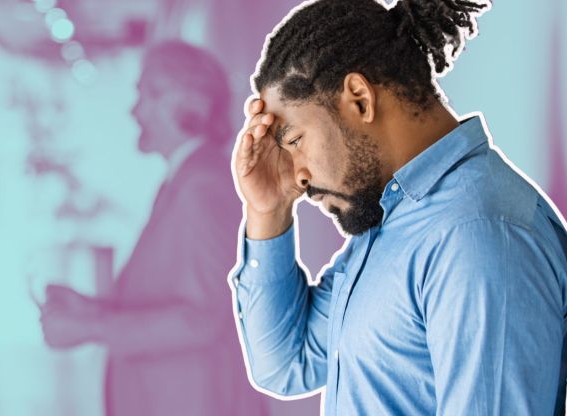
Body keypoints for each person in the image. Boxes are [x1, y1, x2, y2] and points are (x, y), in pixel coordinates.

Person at [231, 0, 567, 415]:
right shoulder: (394, 219)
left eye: (295, 139)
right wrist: (269, 208)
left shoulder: (477, 235)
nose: (298, 177)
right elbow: (286, 363)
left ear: (359, 99)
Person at [39, 41, 270, 415]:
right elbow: (182, 296)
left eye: (145, 95)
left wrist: (91, 327)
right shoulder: (187, 179)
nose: (134, 110)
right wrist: (91, 310)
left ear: (183, 102)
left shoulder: (201, 185)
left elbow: (203, 318)